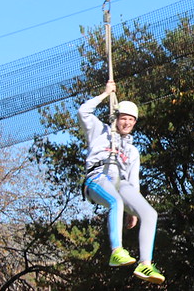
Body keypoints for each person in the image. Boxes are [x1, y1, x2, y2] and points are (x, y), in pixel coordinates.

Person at [79, 81, 165, 284]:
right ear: (115, 118)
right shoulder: (100, 131)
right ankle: (116, 250)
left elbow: (133, 182)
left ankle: (145, 263)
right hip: (97, 176)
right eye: (124, 118)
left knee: (149, 213)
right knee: (115, 200)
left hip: (120, 182)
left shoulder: (132, 151)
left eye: (131, 120)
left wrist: (132, 211)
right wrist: (104, 95)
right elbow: (83, 112)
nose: (127, 123)